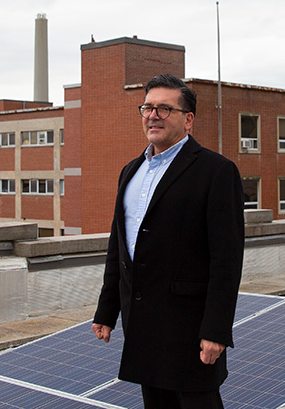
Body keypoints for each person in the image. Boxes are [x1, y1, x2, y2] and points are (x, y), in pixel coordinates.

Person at [92, 74, 244, 408]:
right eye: (147, 107)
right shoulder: (130, 171)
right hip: (143, 325)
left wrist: (217, 330)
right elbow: (120, 246)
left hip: (189, 329)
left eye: (164, 109)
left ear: (188, 120)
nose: (152, 116)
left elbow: (227, 261)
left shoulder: (216, 171)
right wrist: (107, 310)